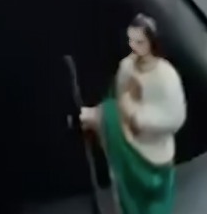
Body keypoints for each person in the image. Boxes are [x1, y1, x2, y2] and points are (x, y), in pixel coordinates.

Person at [80, 14, 186, 214]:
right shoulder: (127, 66)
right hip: (126, 139)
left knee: (151, 198)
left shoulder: (166, 77)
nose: (134, 46)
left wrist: (140, 118)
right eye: (131, 40)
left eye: (140, 42)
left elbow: (175, 116)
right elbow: (117, 97)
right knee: (126, 191)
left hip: (151, 149)